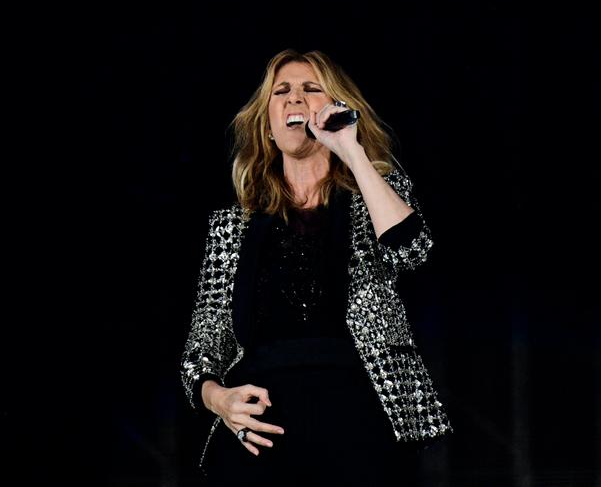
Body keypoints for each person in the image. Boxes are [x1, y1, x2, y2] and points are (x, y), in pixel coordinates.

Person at [179, 49, 454, 485]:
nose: (294, 100)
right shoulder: (231, 225)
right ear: (267, 126)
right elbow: (203, 346)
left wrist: (348, 147)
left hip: (358, 419)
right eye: (281, 92)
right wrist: (219, 400)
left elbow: (411, 251)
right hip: (263, 431)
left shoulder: (374, 195)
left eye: (311, 89)